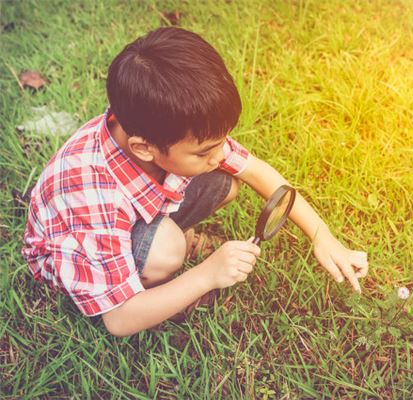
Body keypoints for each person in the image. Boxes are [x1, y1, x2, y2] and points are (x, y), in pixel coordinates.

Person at [21, 27, 369, 337]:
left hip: (131, 208)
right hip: (80, 253)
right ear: (144, 147)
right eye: (203, 152)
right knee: (168, 250)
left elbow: (257, 173)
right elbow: (118, 320)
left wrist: (323, 236)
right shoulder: (96, 194)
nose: (219, 156)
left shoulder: (168, 127)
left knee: (224, 182)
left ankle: (172, 245)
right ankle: (162, 280)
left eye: (221, 142)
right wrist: (207, 275)